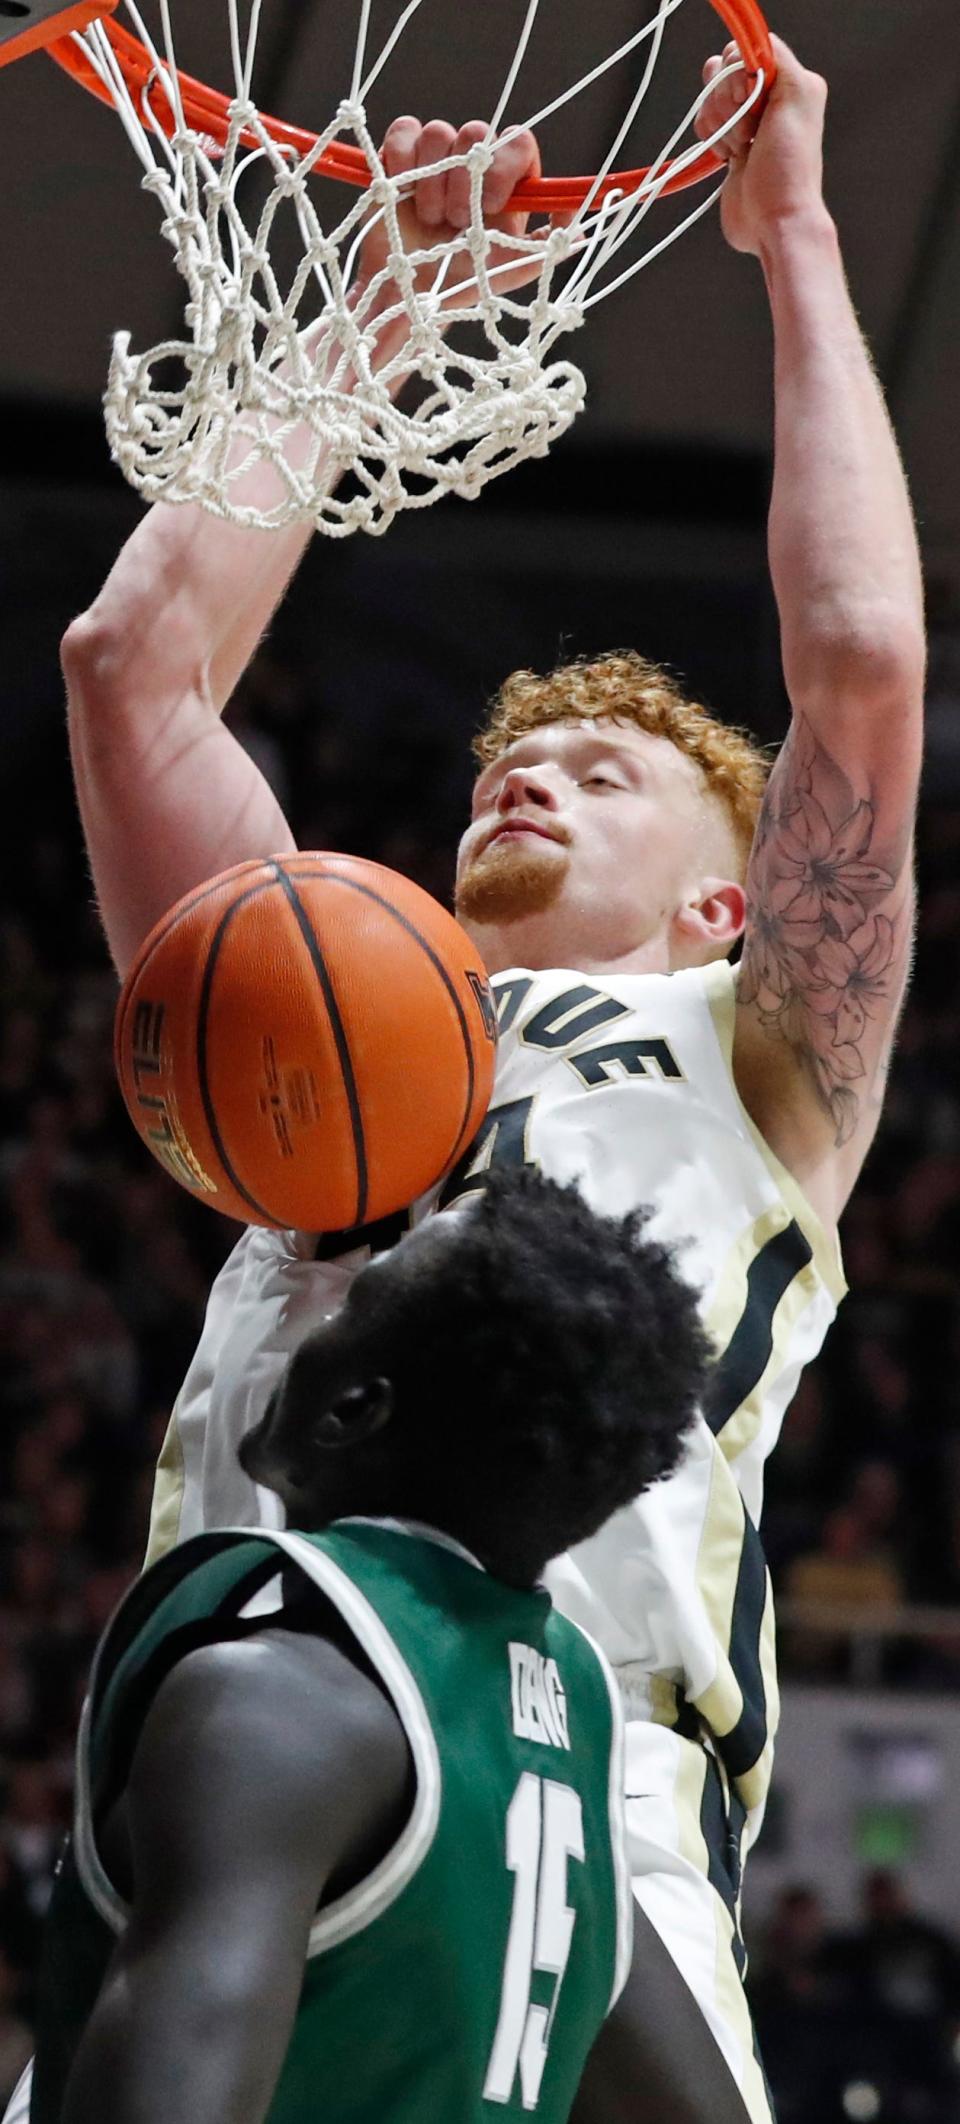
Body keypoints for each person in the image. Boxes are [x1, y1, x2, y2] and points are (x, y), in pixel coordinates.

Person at [53, 30, 925, 2124]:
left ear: (727, 907)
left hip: (591, 1779)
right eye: (507, 763)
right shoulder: (320, 1012)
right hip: (260, 1686)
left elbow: (865, 664)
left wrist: (796, 234)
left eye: (606, 776)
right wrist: (375, 307)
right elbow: (133, 671)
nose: (525, 769)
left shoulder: (759, 1060)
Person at [25, 1169, 750, 2124]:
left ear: (352, 1409)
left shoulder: (273, 1700)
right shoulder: (568, 1755)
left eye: (345, 1311)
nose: (309, 1330)